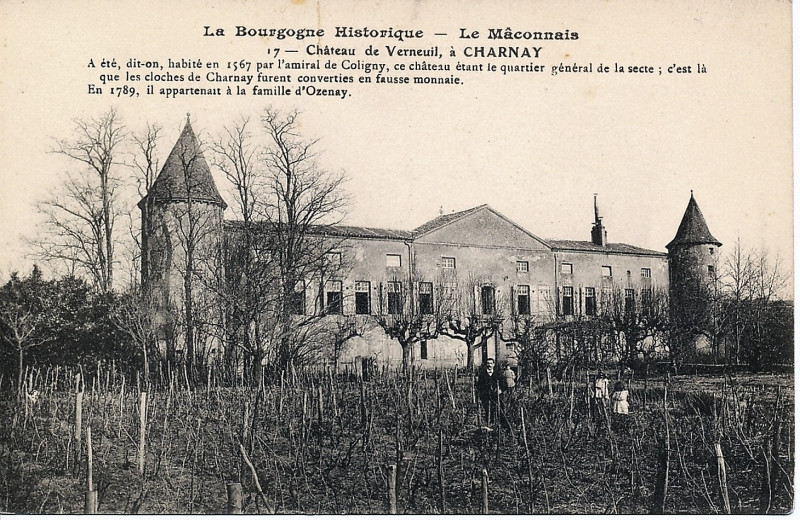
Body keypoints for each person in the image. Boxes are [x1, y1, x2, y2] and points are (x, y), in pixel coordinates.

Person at [475, 358, 501, 424]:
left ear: (493, 364)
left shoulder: (498, 374)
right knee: (487, 411)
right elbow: (478, 386)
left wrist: (500, 390)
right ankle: (488, 424)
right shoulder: (482, 374)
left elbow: (504, 384)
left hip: (496, 396)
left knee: (497, 410)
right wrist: (481, 394)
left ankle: (497, 424)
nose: (489, 365)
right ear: (486, 364)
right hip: (485, 396)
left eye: (491, 363)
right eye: (488, 363)